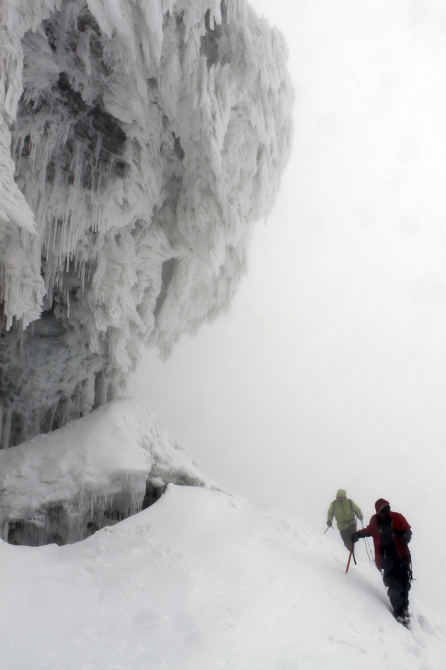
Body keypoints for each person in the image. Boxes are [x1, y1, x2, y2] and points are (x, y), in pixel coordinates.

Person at [351, 498, 412, 624]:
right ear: (378, 511)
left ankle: (405, 606)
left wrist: (407, 535)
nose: (386, 512)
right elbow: (369, 530)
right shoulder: (375, 521)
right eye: (383, 510)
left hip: (401, 556)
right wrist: (358, 534)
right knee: (394, 586)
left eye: (387, 509)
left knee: (405, 583)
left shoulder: (397, 517)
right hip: (386, 559)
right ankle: (399, 611)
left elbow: (407, 529)